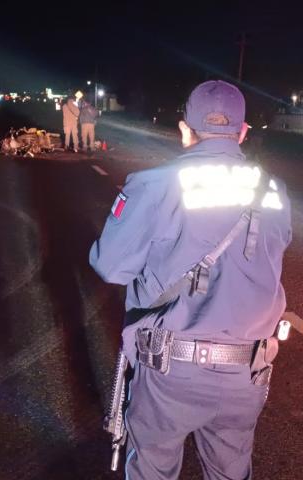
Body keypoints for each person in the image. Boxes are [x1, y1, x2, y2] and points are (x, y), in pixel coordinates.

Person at [89, 80, 292, 479]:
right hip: (247, 371)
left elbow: (110, 266)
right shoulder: (274, 190)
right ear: (243, 131)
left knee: (153, 468)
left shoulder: (156, 184)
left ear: (185, 129)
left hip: (170, 372)